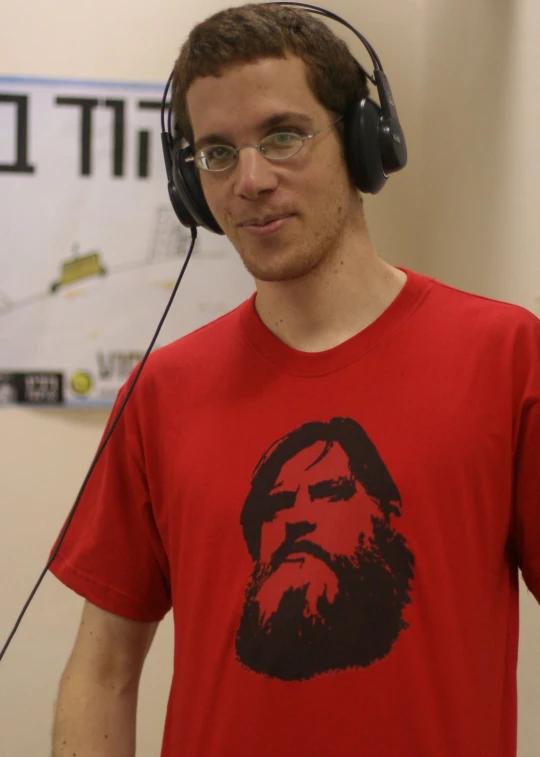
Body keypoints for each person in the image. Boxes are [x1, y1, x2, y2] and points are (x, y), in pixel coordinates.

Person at [49, 4, 540, 757]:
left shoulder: (505, 355)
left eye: (283, 135)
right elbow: (103, 669)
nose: (250, 180)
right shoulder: (160, 393)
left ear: (363, 142)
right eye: (216, 152)